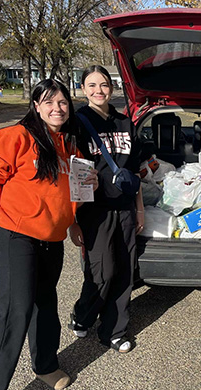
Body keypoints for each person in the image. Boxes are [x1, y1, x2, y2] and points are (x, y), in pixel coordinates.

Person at [0, 79, 98, 390]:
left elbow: (69, 194)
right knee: (12, 311)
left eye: (63, 102)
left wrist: (77, 214)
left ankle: (45, 365)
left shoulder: (71, 144)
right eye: (49, 101)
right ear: (36, 105)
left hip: (50, 239)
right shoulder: (16, 137)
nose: (58, 108)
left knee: (44, 304)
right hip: (13, 236)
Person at [68, 65, 144, 353]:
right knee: (102, 272)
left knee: (125, 271)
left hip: (124, 209)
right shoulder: (77, 122)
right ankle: (83, 314)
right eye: (92, 85)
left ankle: (114, 330)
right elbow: (70, 172)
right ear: (83, 89)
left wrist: (139, 209)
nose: (98, 90)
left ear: (111, 88)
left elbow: (134, 171)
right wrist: (72, 220)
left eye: (104, 85)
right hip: (93, 212)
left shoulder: (125, 122)